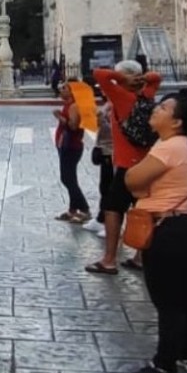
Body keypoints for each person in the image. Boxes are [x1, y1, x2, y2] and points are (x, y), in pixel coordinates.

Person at [123, 94, 187, 373]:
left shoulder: (171, 147)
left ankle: (164, 370)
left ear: (176, 121)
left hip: (168, 229)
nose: (155, 110)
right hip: (183, 225)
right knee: (185, 296)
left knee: (169, 302)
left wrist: (138, 179)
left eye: (163, 108)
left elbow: (132, 180)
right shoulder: (178, 145)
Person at [86, 61, 161, 275]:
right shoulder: (147, 95)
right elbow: (156, 77)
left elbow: (99, 74)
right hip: (147, 164)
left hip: (127, 167)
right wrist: (142, 78)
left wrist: (121, 79)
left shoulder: (121, 96)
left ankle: (109, 259)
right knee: (144, 210)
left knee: (112, 209)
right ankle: (140, 257)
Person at [53, 80, 90, 222]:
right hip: (65, 146)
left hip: (71, 147)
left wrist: (59, 117)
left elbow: (73, 126)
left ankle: (85, 209)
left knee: (67, 178)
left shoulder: (74, 106)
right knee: (70, 178)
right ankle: (72, 210)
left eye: (64, 88)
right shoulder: (68, 104)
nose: (61, 90)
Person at [82, 89, 114, 237]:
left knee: (110, 188)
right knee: (104, 187)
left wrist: (100, 118)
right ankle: (101, 218)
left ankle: (112, 223)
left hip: (111, 151)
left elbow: (113, 130)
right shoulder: (109, 104)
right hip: (104, 149)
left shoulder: (117, 105)